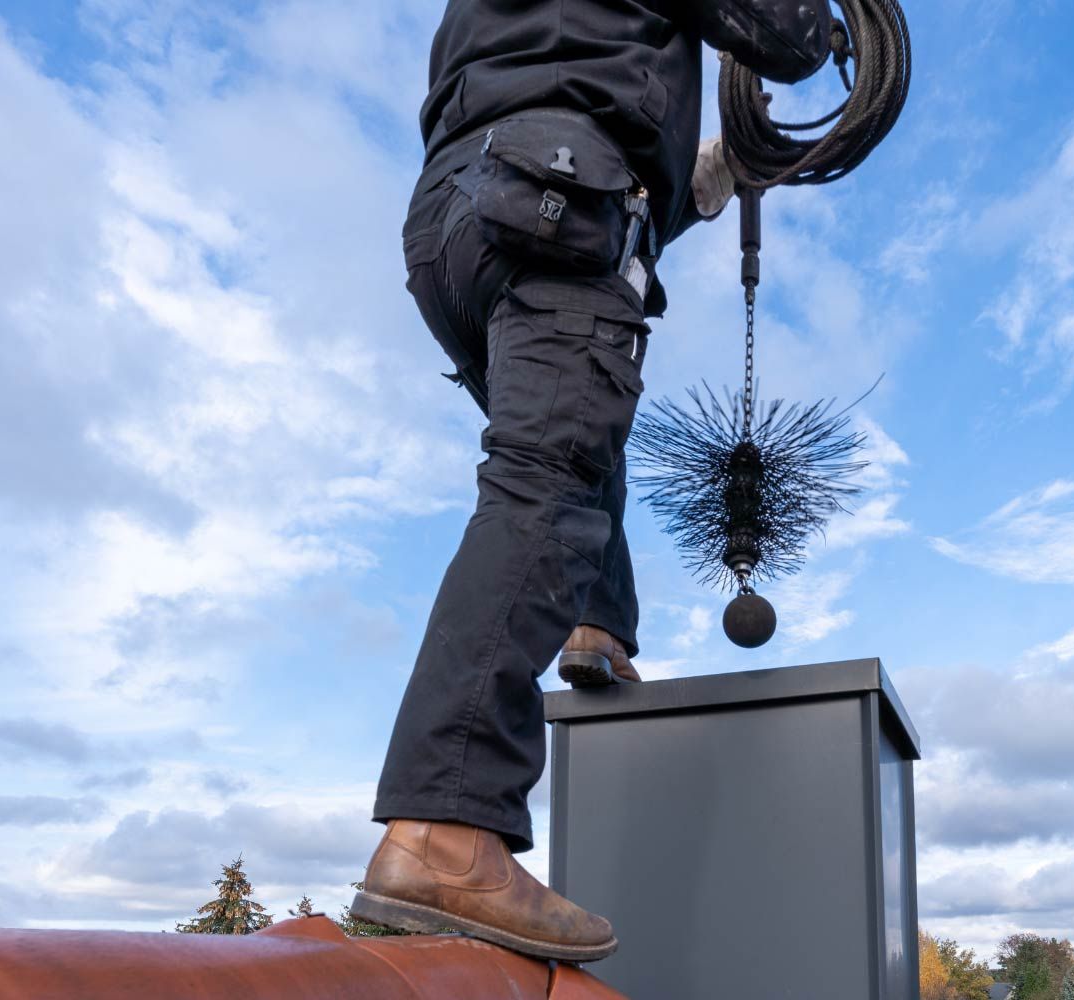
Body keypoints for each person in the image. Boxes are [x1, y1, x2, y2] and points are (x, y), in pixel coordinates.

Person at [351, 0, 832, 963]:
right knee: (552, 477)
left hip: (458, 218)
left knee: (574, 435)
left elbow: (564, 96)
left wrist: (698, 181)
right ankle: (446, 831)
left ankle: (596, 627)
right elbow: (790, 36)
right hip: (550, 194)